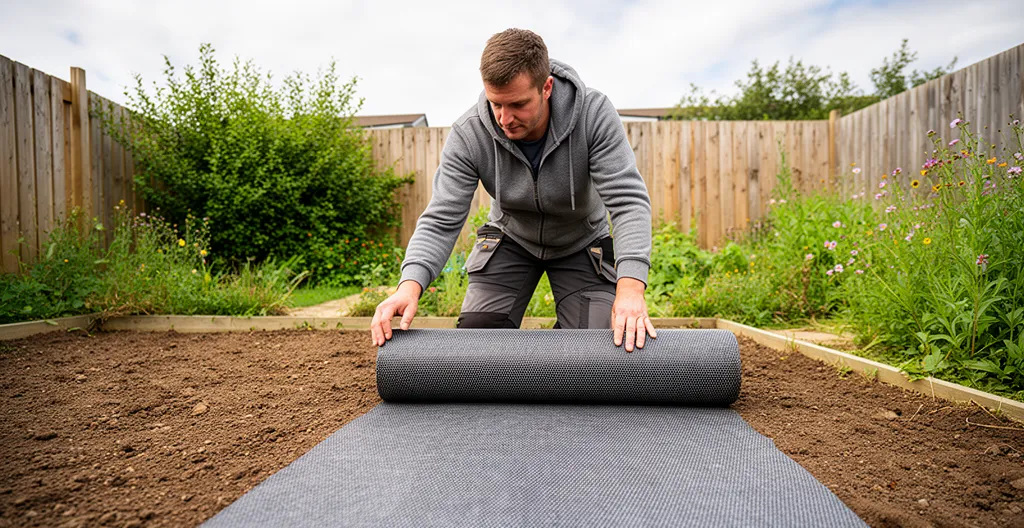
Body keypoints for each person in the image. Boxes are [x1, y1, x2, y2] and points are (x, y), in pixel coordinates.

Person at [370, 28, 656, 351]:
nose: (505, 119)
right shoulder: (470, 135)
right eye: (496, 105)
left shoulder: (593, 116)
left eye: (518, 105)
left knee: (595, 350)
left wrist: (631, 287)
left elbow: (629, 203)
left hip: (582, 242)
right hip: (511, 239)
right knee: (477, 348)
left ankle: (558, 352)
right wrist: (409, 286)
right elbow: (441, 218)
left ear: (546, 88)